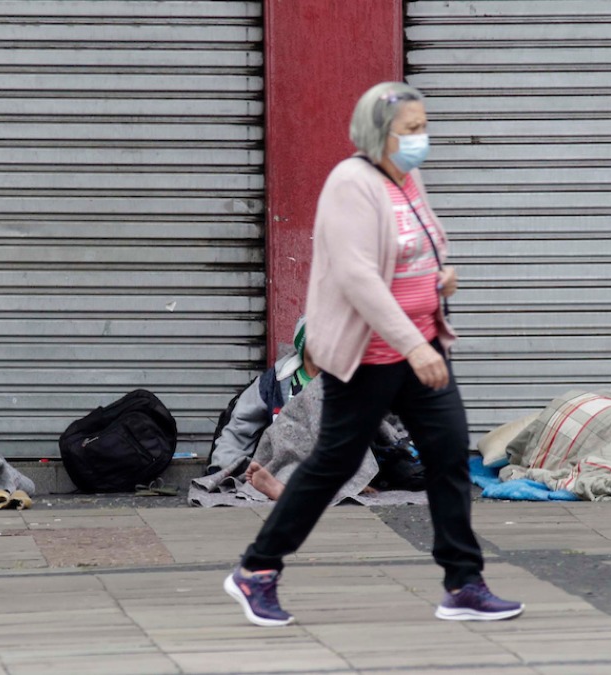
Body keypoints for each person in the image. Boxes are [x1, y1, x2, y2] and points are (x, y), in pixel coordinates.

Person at [224, 81, 523, 627]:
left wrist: (438, 279)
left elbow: (425, 242)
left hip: (422, 346)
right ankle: (256, 571)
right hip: (369, 355)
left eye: (422, 127)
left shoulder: (406, 177)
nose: (420, 138)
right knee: (331, 465)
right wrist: (412, 343)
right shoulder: (349, 184)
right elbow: (358, 276)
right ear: (376, 132)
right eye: (410, 130)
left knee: (449, 454)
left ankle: (463, 583)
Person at [207, 318, 318, 475]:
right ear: (303, 342)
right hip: (282, 466)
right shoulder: (273, 382)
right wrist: (221, 467)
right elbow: (241, 425)